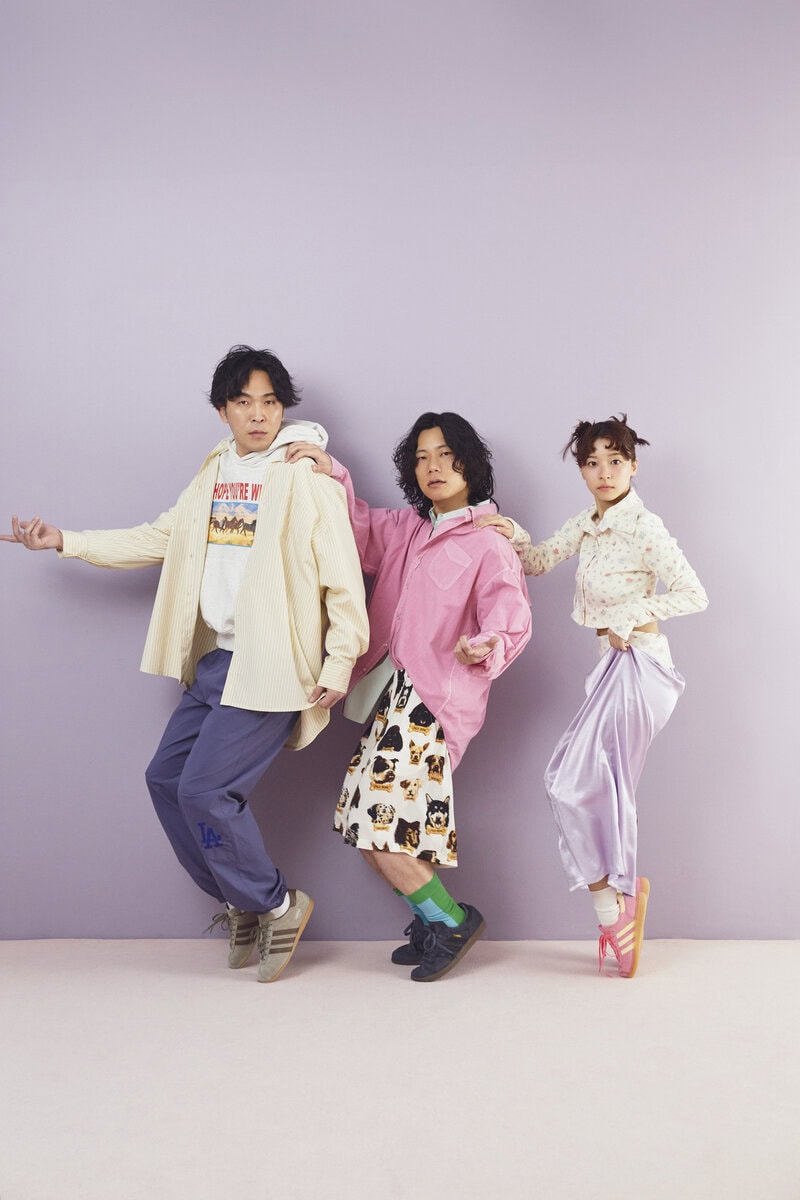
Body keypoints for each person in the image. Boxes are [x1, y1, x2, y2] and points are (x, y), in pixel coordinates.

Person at [2, 345, 369, 983]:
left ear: (283, 409)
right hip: (216, 662)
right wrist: (66, 541)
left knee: (204, 791)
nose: (259, 415)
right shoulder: (214, 474)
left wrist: (339, 662)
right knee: (166, 781)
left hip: (272, 665)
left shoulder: (306, 478)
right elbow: (159, 536)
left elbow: (343, 579)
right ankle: (242, 900)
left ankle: (277, 904)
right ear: (223, 410)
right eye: (244, 402)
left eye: (270, 402)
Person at [285, 413, 531, 981]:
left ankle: (451, 921)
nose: (432, 466)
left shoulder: (489, 544)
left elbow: (510, 619)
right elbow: (356, 526)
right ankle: (429, 919)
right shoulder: (407, 529)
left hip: (432, 707)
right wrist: (330, 470)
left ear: (469, 463)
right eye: (421, 457)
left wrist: (484, 645)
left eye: (445, 454)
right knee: (367, 826)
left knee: (381, 829)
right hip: (387, 698)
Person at [478, 414, 708, 978]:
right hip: (610, 665)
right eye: (592, 462)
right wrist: (510, 533)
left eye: (615, 461)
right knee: (590, 787)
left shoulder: (644, 527)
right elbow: (537, 562)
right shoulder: (587, 524)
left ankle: (617, 908)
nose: (604, 472)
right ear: (581, 470)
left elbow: (693, 593)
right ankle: (617, 905)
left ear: (633, 465)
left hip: (642, 668)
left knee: (585, 785)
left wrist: (632, 613)